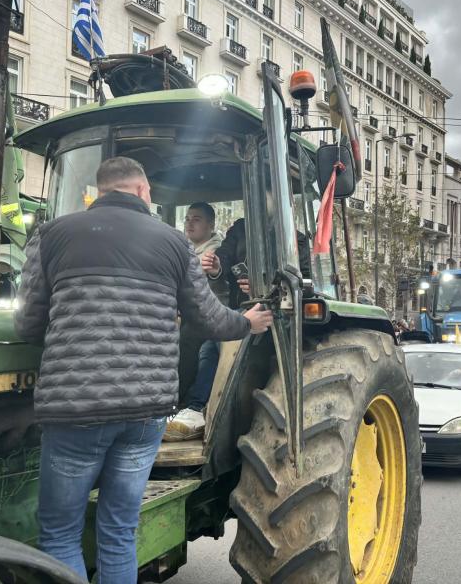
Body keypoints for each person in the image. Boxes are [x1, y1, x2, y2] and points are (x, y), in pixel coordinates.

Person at [14, 157, 273, 583]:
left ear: (102, 190)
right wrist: (248, 322)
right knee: (118, 531)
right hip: (146, 412)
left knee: (60, 533)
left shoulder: (51, 235)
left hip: (74, 410)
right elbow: (209, 319)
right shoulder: (175, 243)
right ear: (140, 190)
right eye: (151, 192)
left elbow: (27, 324)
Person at [166, 202, 228, 441]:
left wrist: (215, 271)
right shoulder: (182, 249)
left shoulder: (216, 252)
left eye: (197, 219)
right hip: (183, 315)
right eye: (188, 218)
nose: (189, 223)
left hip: (211, 317)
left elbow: (220, 277)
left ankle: (187, 406)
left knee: (193, 342)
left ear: (211, 226)